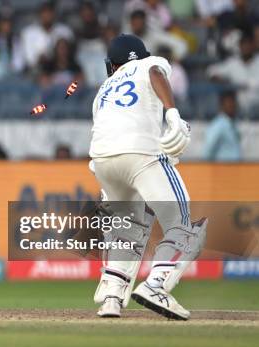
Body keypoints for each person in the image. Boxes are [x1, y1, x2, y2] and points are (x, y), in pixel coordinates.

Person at [89, 34, 206, 320]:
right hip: (141, 154)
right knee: (184, 226)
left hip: (103, 160)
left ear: (111, 65)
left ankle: (112, 297)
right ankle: (156, 285)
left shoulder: (103, 89)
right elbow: (154, 72)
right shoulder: (149, 64)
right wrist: (173, 114)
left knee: (126, 231)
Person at [207, 33, 259, 113]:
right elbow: (210, 71)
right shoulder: (233, 63)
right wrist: (219, 79)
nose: (246, 47)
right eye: (243, 45)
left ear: (253, 46)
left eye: (248, 44)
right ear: (240, 47)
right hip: (238, 109)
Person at [20, 1, 74, 72]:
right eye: (44, 12)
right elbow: (29, 61)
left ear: (54, 14)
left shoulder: (65, 31)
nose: (47, 15)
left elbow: (70, 56)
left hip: (60, 70)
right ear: (39, 14)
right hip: (36, 72)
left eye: (50, 12)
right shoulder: (28, 33)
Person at [203, 91, 241, 161]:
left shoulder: (233, 123)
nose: (232, 105)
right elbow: (208, 150)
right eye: (229, 103)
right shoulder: (218, 125)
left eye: (233, 102)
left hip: (236, 169)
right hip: (222, 169)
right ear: (222, 105)